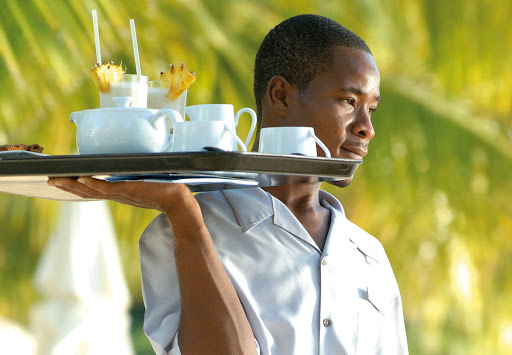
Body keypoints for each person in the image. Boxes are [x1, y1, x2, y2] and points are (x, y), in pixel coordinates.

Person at [49, 14, 408, 355]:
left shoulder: (369, 256)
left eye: (371, 109)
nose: (366, 128)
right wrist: (184, 214)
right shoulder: (178, 232)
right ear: (280, 96)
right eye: (348, 101)